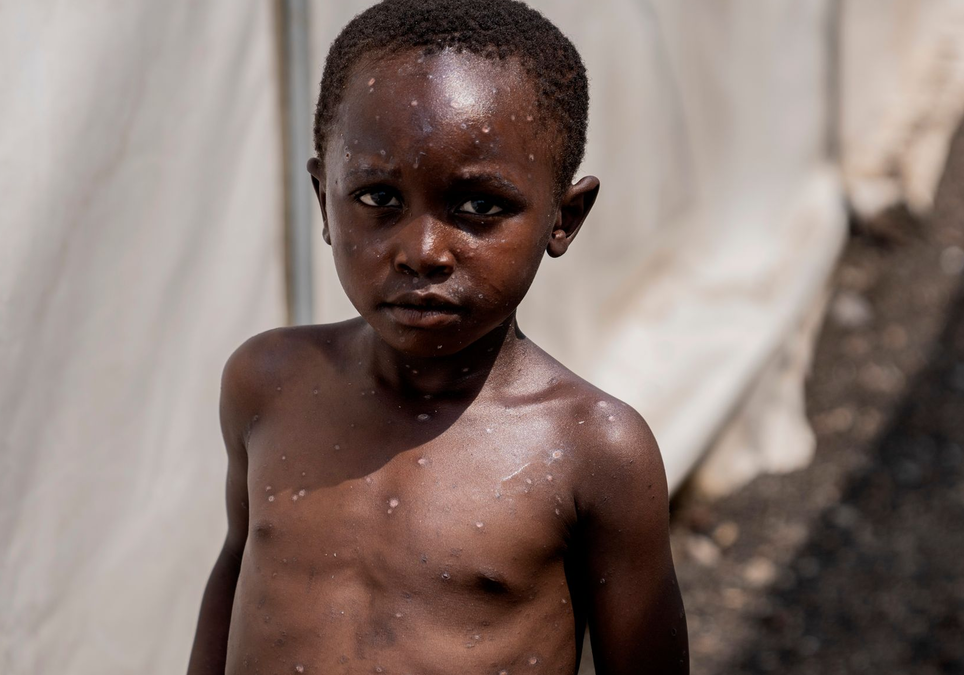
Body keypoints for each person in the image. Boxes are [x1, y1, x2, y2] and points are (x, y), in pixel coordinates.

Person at [188, 1, 687, 672]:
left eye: (479, 206)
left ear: (563, 217)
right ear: (324, 199)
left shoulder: (591, 449)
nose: (422, 251)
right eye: (378, 198)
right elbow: (237, 564)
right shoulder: (268, 382)